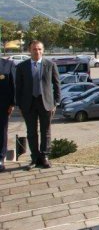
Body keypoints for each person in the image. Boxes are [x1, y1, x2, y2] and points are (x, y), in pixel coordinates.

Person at [15, 40, 61, 169]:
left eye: (39, 49)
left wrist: (56, 102)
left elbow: (57, 84)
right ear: (30, 50)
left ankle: (44, 156)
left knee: (46, 131)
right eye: (34, 49)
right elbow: (18, 87)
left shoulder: (50, 64)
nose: (37, 52)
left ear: (43, 50)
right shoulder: (21, 66)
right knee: (31, 132)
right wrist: (19, 105)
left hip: (46, 103)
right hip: (28, 104)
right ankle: (34, 157)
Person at [0, 56, 15, 172]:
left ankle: (1, 158)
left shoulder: (8, 64)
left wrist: (12, 104)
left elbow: (13, 84)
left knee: (2, 132)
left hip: (3, 105)